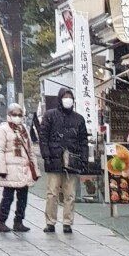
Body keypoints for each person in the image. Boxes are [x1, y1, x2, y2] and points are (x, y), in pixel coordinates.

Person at [38, 87, 89, 234]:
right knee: (52, 193)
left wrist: (84, 159)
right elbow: (43, 138)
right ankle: (50, 222)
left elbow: (83, 140)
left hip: (72, 160)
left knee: (70, 194)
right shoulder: (50, 116)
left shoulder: (78, 119)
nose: (68, 100)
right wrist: (46, 156)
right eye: (65, 97)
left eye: (70, 97)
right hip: (54, 159)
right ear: (60, 99)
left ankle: (67, 222)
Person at [0, 104, 37, 232]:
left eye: (19, 114)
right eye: (14, 114)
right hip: (10, 169)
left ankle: (18, 221)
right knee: (8, 197)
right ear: (9, 115)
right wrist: (1, 168)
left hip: (23, 168)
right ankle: (1, 221)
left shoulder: (23, 129)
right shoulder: (3, 130)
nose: (17, 117)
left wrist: (34, 168)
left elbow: (30, 150)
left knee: (23, 198)